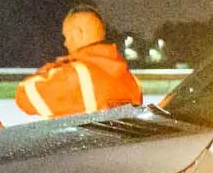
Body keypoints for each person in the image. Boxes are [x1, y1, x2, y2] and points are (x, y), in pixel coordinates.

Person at [10, 7, 145, 119]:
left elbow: (24, 97)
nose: (65, 43)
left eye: (66, 36)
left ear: (78, 34)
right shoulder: (132, 81)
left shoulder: (76, 74)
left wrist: (55, 67)